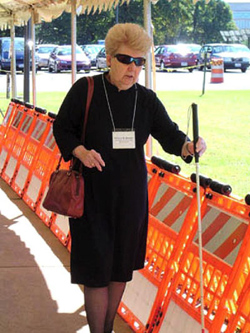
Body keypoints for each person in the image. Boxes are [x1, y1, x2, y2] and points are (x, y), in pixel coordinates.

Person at [53, 23, 206, 333]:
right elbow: (62, 128)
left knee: (120, 269)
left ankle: (106, 328)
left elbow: (170, 135)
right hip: (92, 196)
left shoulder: (146, 99)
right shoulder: (86, 89)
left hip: (131, 198)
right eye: (126, 60)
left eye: (140, 62)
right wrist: (80, 151)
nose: (133, 68)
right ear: (109, 58)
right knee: (96, 270)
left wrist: (189, 146)